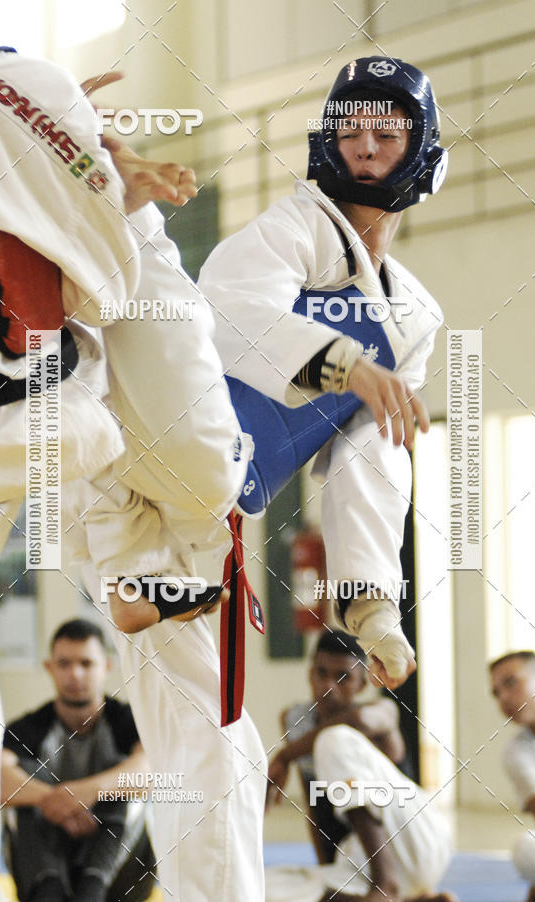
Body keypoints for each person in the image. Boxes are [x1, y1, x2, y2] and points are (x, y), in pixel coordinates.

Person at [0, 7, 194, 901]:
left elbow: (100, 262)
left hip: (14, 413)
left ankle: (135, 558)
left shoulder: (4, 85)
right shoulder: (5, 92)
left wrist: (94, 165)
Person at [198, 56, 448, 691]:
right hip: (157, 453)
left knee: (208, 721)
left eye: (386, 134)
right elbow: (227, 309)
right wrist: (347, 365)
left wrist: (373, 601)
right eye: (349, 131)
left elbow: (371, 451)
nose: (365, 148)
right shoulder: (297, 226)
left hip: (218, 510)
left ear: (424, 153)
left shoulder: (415, 316)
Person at [265, 630, 454, 902]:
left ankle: (385, 886)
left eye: (343, 677)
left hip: (415, 840)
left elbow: (357, 721)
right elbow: (315, 800)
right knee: (263, 889)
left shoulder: (382, 711)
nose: (329, 686)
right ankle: (410, 901)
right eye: (321, 673)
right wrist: (328, 870)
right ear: (310, 674)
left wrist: (284, 756)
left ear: (362, 684)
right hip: (360, 856)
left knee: (333, 739)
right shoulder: (296, 720)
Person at [1, 619, 154, 902]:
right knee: (22, 777)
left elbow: (150, 771)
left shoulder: (128, 721)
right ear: (49, 667)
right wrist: (53, 800)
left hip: (120, 880)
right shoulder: (29, 727)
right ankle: (49, 889)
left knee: (126, 778)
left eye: (86, 663)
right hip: (45, 870)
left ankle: (91, 890)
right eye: (64, 664)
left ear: (106, 666)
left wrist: (87, 792)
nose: (75, 674)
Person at [490, 651, 535, 902]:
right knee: (530, 847)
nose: (504, 698)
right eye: (496, 693)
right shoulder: (517, 753)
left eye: (511, 683)